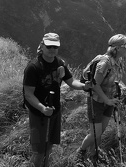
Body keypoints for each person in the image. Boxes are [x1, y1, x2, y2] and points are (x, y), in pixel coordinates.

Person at [23, 32, 90, 167]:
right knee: (39, 151)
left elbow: (71, 82)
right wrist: (42, 108)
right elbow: (28, 94)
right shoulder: (33, 67)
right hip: (38, 113)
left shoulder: (59, 63)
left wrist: (85, 86)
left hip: (54, 110)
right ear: (42, 46)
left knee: (49, 146)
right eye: (49, 46)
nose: (52, 50)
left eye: (55, 47)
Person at [75, 33, 126, 165]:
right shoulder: (104, 63)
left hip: (110, 100)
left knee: (100, 131)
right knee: (95, 133)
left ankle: (93, 153)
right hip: (97, 101)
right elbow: (95, 84)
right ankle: (81, 151)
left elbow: (122, 74)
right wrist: (107, 100)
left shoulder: (118, 60)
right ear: (118, 48)